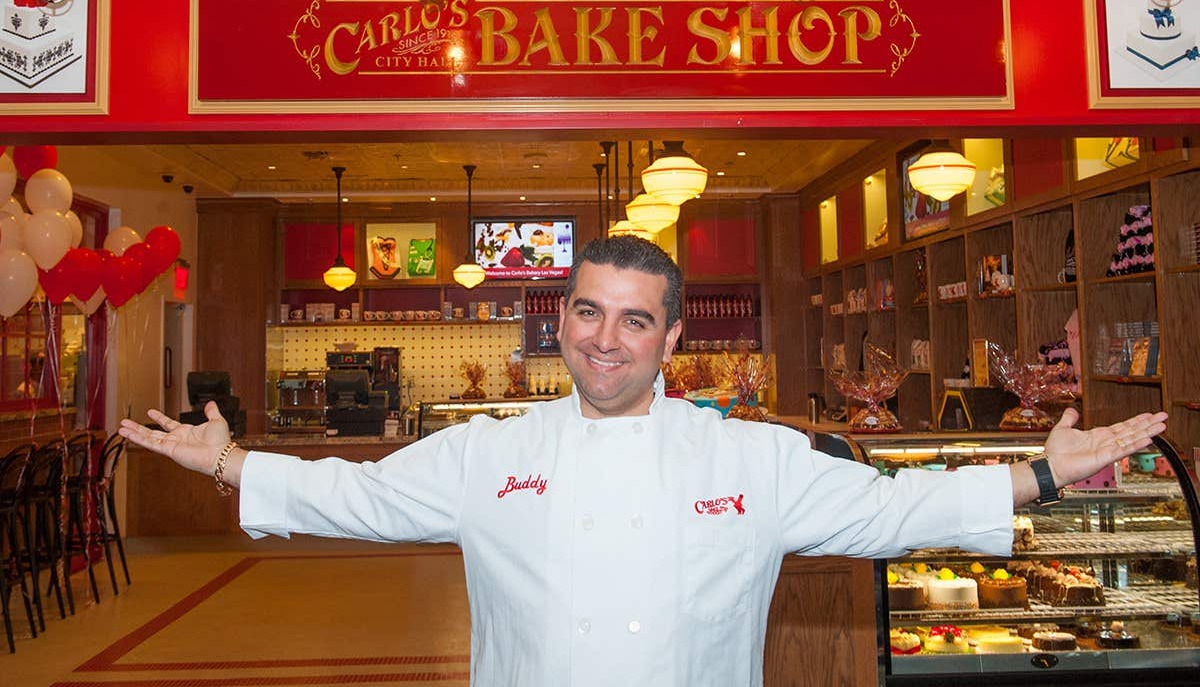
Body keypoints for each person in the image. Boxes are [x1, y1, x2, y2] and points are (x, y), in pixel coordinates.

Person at [121, 236, 1167, 687]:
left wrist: (1040, 470)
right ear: (561, 323)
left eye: (634, 319)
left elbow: (890, 508)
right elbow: (359, 493)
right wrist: (232, 461)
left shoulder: (751, 455)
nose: (606, 338)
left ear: (671, 339)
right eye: (587, 312)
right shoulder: (494, 451)